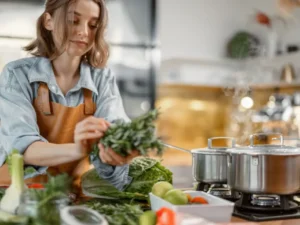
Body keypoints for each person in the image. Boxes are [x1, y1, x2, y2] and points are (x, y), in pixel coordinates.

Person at [0, 0, 139, 193]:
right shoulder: (17, 75)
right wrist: (80, 149)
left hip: (71, 194)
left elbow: (117, 129)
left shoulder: (102, 78)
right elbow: (22, 146)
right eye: (73, 21)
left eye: (93, 25)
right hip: (19, 195)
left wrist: (120, 149)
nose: (84, 32)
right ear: (48, 21)